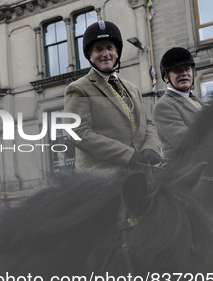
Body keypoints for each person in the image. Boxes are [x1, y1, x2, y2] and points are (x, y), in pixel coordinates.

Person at [64, 21, 162, 174]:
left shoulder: (132, 88)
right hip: (101, 174)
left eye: (110, 48)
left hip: (140, 170)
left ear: (117, 52)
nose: (105, 54)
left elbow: (148, 124)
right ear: (90, 56)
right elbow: (79, 132)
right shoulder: (78, 89)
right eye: (98, 49)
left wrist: (151, 147)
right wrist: (127, 154)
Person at [152, 47, 202, 156]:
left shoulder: (197, 100)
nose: (184, 74)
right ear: (166, 76)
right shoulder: (163, 106)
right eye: (177, 70)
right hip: (183, 168)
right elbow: (188, 142)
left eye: (187, 69)